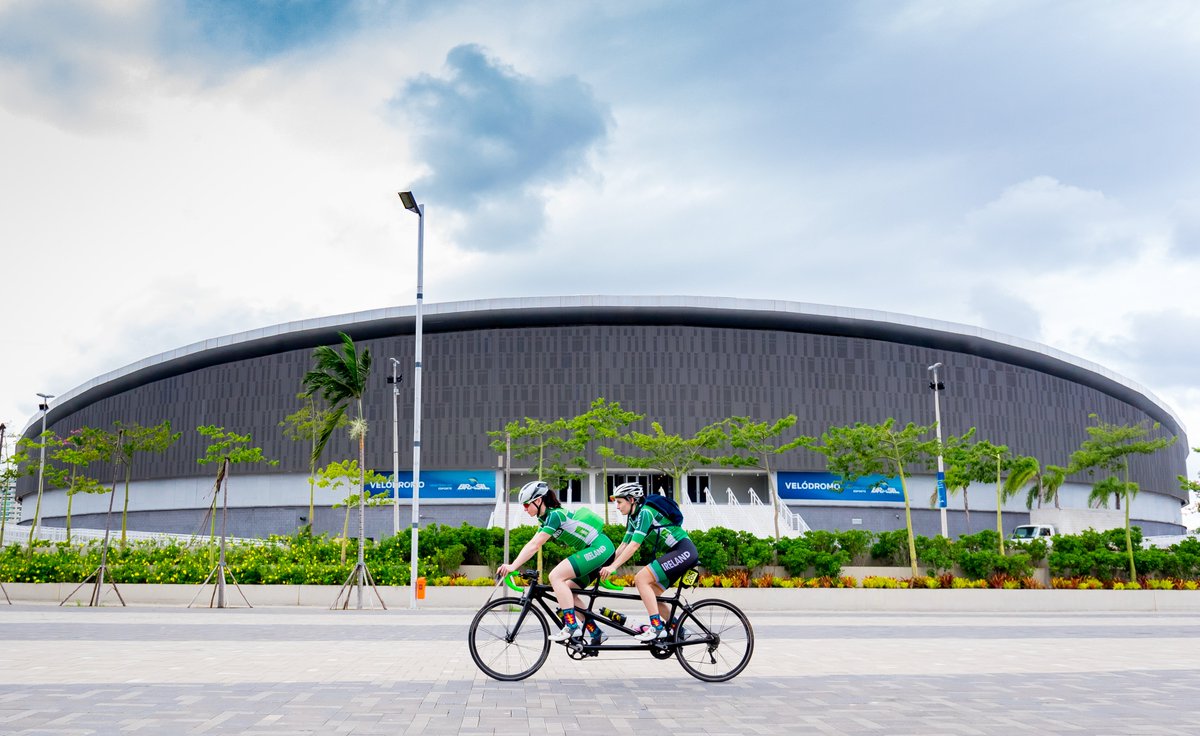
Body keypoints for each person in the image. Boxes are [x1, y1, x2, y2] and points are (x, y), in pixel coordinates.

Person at [497, 480, 616, 643]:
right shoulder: (545, 519)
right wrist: (513, 565)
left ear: (538, 501)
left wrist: (512, 566)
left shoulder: (555, 515)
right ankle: (596, 632)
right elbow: (531, 544)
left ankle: (571, 625)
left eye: (526, 505)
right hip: (597, 550)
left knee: (555, 577)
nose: (525, 509)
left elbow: (535, 545)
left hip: (600, 547)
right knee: (568, 591)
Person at [599, 481, 698, 642]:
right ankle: (677, 628)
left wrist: (613, 568)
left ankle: (657, 628)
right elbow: (624, 545)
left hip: (683, 550)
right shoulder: (633, 517)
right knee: (652, 594)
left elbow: (634, 545)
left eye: (619, 502)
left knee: (641, 579)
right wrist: (606, 565)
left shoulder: (645, 512)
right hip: (676, 552)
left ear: (631, 500)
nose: (617, 506)